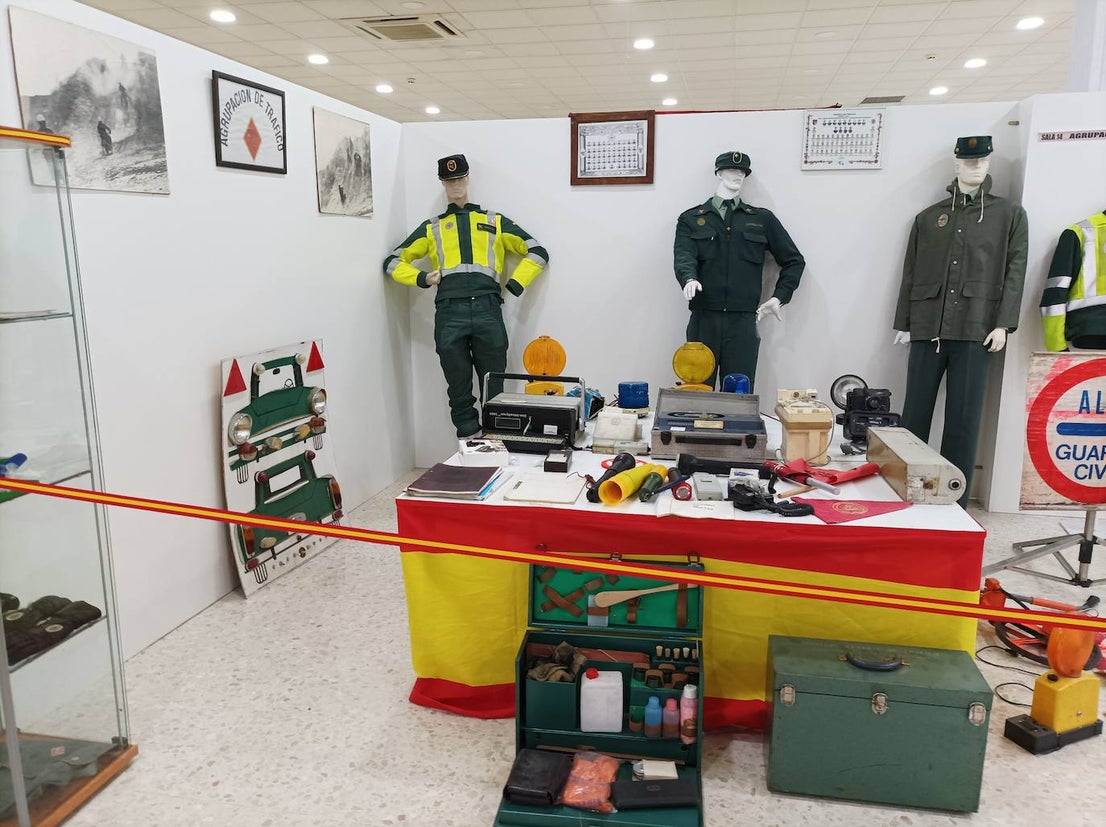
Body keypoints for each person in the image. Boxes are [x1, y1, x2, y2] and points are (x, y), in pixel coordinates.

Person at [892, 135, 1028, 507]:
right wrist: (904, 322)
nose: (975, 167)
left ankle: (955, 503)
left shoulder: (1008, 214)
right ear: (956, 164)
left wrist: (1004, 323)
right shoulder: (928, 217)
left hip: (976, 328)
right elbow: (910, 272)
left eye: (981, 160)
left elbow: (1016, 271)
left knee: (963, 421)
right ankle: (907, 491)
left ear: (989, 162)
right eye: (968, 162)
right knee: (914, 416)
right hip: (927, 326)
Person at [384, 154, 549, 438]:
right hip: (450, 313)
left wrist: (515, 285)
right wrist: (422, 278)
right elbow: (392, 262)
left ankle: (497, 440)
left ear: (468, 178)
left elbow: (537, 251)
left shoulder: (494, 221)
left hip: (488, 309)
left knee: (493, 384)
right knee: (458, 386)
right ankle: (469, 444)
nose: (456, 185)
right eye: (449, 181)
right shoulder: (432, 227)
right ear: (442, 184)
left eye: (460, 178)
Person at [673, 151, 805, 389]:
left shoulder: (761, 219)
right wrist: (688, 278)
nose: (739, 176)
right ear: (719, 173)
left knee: (739, 396)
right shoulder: (691, 219)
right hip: (704, 318)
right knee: (696, 391)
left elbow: (794, 260)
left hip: (743, 320)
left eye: (743, 172)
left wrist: (779, 297)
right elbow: (684, 256)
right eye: (733, 171)